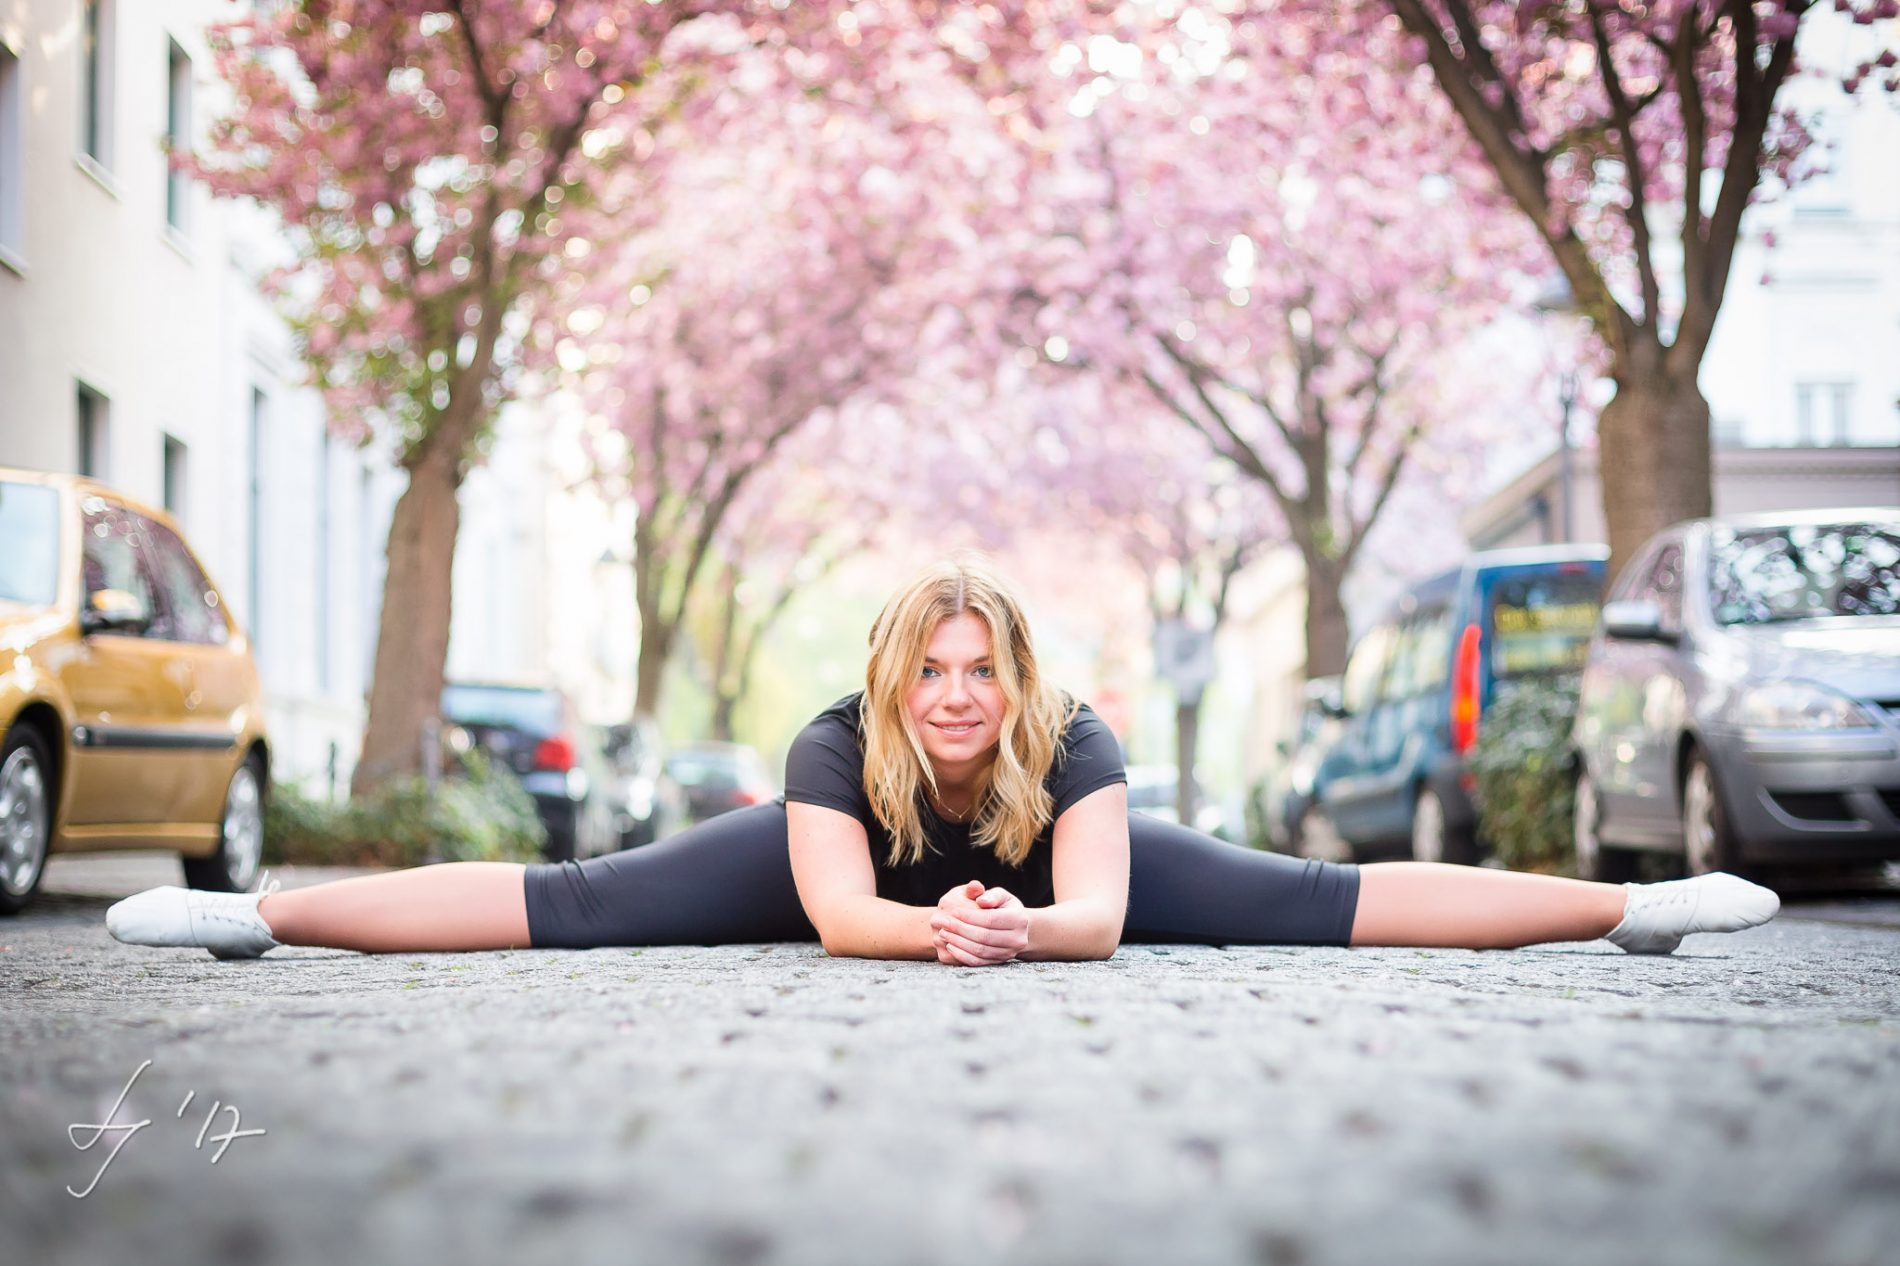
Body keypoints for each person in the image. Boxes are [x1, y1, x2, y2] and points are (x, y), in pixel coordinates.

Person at [106, 556, 1779, 963]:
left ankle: (1625, 914)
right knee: (586, 895)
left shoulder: (1078, 742)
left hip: (1043, 897)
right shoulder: (836, 745)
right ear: (895, 678)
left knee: (1301, 891)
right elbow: (836, 915)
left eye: (985, 669)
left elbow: (1110, 915)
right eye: (935, 670)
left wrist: (1028, 927)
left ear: (1019, 679)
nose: (961, 694)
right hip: (855, 874)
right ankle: (265, 913)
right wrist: (944, 928)